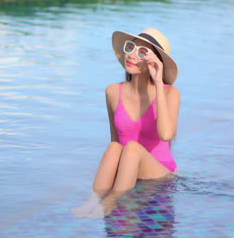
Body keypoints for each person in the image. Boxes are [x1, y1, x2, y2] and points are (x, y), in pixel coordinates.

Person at [73, 28, 180, 217]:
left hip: (158, 172)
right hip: (127, 171)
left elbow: (166, 135)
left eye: (142, 53)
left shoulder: (170, 93)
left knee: (132, 148)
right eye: (131, 47)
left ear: (155, 62)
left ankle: (110, 203)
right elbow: (115, 140)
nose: (131, 55)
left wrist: (157, 84)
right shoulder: (113, 92)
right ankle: (93, 201)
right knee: (115, 147)